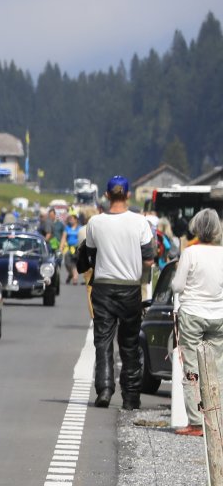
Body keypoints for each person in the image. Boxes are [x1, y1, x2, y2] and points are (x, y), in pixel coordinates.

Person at [78, 174, 159, 408]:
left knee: (103, 340)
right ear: (128, 195)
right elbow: (149, 259)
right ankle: (131, 397)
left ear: (106, 195)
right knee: (130, 343)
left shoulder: (95, 223)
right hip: (130, 287)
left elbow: (91, 256)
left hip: (103, 286)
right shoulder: (140, 222)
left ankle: (104, 389)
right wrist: (140, 277)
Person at [170, 208, 223, 436]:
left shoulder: (190, 253)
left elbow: (178, 286)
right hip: (218, 314)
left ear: (197, 228)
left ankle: (195, 422)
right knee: (217, 368)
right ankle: (216, 420)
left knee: (192, 368)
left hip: (192, 313)